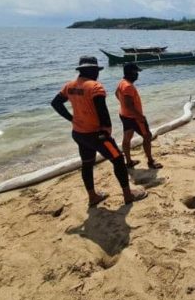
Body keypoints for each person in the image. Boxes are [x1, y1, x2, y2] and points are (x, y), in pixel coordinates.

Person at [51, 56, 146, 206]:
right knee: (118, 160)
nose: (97, 73)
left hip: (79, 134)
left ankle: (92, 197)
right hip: (97, 135)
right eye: (96, 70)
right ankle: (128, 195)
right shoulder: (95, 87)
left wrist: (71, 118)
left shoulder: (69, 86)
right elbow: (102, 110)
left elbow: (55, 103)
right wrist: (106, 130)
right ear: (93, 70)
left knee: (87, 164)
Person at [115, 63, 163, 169]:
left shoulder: (121, 83)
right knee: (147, 136)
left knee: (127, 138)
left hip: (124, 115)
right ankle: (150, 161)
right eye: (136, 72)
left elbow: (116, 94)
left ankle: (128, 162)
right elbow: (129, 104)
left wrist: (123, 105)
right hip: (134, 117)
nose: (137, 75)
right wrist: (139, 116)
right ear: (131, 73)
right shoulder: (128, 86)